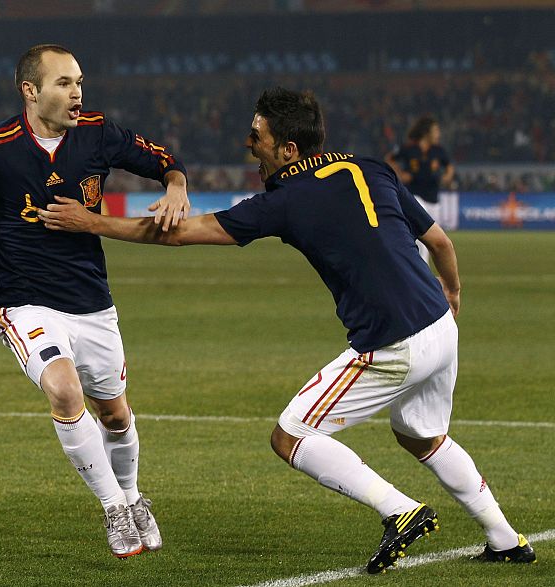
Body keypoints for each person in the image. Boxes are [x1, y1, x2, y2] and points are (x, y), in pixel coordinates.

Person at [39, 87, 536, 572]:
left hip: (393, 343)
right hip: (440, 329)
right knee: (423, 436)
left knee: (291, 436)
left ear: (289, 148)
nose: (248, 145)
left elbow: (185, 233)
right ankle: (504, 539)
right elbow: (441, 243)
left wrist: (92, 223)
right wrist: (450, 294)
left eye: (257, 136)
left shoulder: (284, 200)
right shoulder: (369, 167)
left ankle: (398, 510)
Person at [0, 44, 190, 558]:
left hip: (92, 303)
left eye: (80, 82)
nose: (77, 94)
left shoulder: (97, 132)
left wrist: (176, 186)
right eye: (65, 83)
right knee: (65, 392)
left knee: (114, 414)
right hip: (25, 302)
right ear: (31, 91)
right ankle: (113, 508)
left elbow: (165, 161)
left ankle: (134, 499)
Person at [385, 115, 455, 264]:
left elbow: (449, 166)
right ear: (426, 132)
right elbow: (390, 159)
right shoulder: (409, 149)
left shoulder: (438, 151)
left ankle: (418, 268)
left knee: (432, 239)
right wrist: (399, 174)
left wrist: (447, 176)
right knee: (422, 236)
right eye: (436, 130)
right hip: (415, 197)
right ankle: (422, 271)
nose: (438, 134)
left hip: (433, 199)